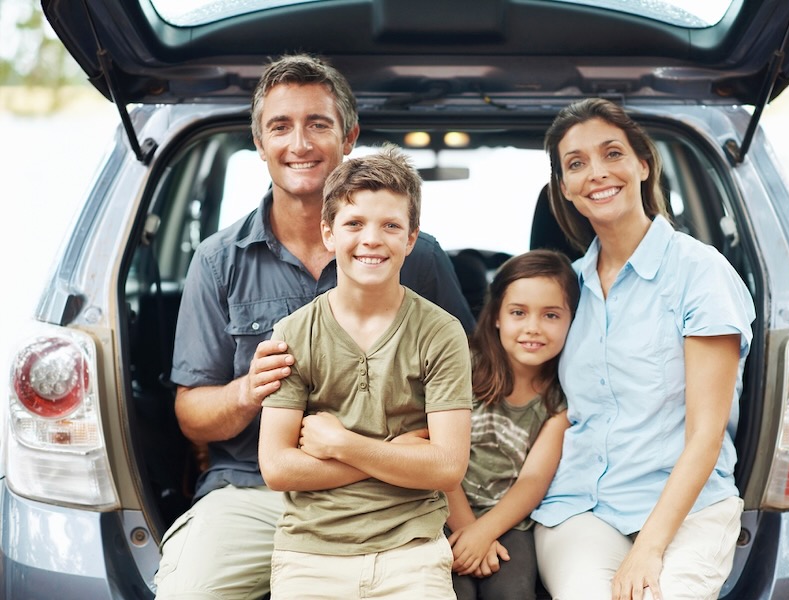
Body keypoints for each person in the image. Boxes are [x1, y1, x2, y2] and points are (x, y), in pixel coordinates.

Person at [154, 54, 474, 599]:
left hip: (393, 495)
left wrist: (387, 458)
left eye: (318, 124)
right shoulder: (217, 262)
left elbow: (463, 398)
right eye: (280, 126)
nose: (299, 143)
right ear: (260, 143)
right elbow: (193, 417)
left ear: (349, 136)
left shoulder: (420, 260)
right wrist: (248, 391)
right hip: (253, 494)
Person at [530, 98, 756, 600]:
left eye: (613, 153)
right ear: (564, 188)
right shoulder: (571, 288)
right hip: (581, 508)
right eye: (576, 164)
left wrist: (649, 548)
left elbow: (705, 434)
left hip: (688, 509)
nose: (597, 173)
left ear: (642, 163)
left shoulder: (700, 273)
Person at [257, 145, 472, 600]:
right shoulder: (295, 332)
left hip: (411, 550)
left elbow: (449, 467)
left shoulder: (440, 332)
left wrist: (342, 444)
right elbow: (276, 467)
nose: (371, 239)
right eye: (354, 224)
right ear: (329, 234)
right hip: (310, 554)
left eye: (391, 225)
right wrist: (396, 454)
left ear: (412, 239)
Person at [445, 249, 578, 600]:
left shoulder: (560, 397)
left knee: (514, 592)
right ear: (497, 317)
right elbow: (438, 458)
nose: (533, 327)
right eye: (518, 312)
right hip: (443, 507)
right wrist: (469, 531)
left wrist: (484, 532)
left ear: (572, 321)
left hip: (508, 518)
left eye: (551, 315)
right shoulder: (464, 366)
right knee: (450, 590)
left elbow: (534, 479)